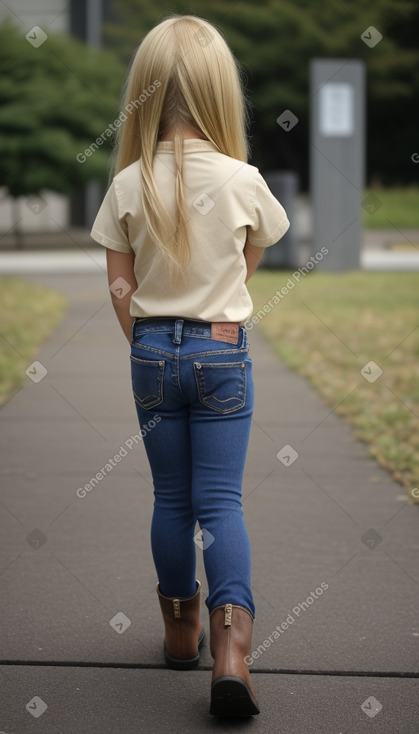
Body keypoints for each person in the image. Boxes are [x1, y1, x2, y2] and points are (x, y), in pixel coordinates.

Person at [90, 14, 289, 718]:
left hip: (151, 351)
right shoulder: (242, 179)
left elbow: (119, 286)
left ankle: (180, 631)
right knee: (220, 503)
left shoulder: (125, 185)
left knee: (170, 501)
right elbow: (249, 257)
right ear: (219, 96)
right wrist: (216, 315)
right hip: (221, 352)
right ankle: (230, 649)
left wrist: (146, 344)